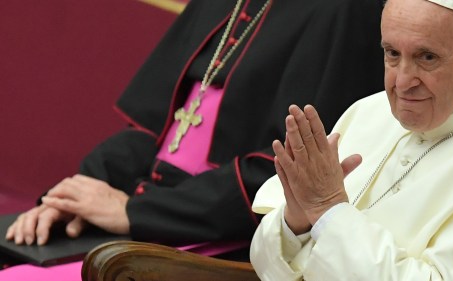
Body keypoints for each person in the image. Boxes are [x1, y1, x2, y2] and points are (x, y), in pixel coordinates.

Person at [4, 0, 384, 264]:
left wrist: (134, 212)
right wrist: (75, 193)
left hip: (224, 240)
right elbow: (155, 130)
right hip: (148, 209)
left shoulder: (345, 10)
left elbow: (282, 180)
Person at [249, 0, 453, 280]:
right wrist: (296, 221)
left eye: (427, 58)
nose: (403, 82)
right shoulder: (368, 112)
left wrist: (327, 211)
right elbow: (266, 266)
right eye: (392, 53)